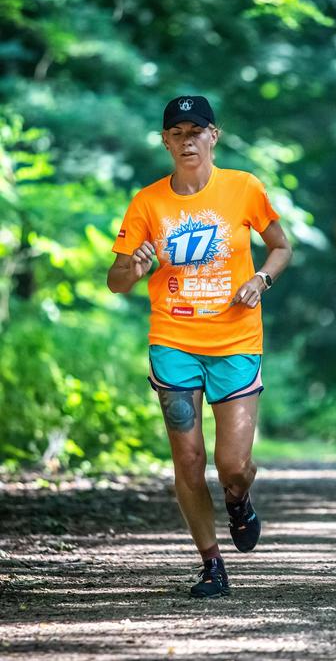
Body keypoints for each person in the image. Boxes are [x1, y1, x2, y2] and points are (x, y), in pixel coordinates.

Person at [107, 95, 292, 598]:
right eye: (177, 133)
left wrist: (260, 281)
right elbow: (116, 281)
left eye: (197, 130)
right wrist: (134, 265)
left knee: (232, 464)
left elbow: (281, 246)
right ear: (165, 141)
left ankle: (239, 500)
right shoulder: (148, 202)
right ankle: (211, 563)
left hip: (235, 339)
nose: (187, 140)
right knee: (187, 460)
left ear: (215, 135)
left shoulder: (243, 188)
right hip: (173, 341)